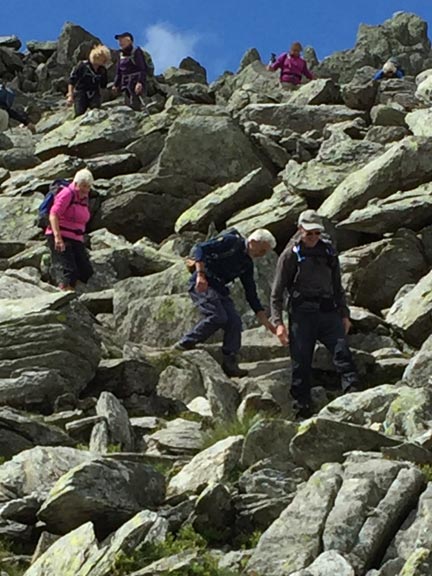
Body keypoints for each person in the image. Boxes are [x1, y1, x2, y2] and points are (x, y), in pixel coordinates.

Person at [271, 210, 359, 418]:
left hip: (329, 312)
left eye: (317, 233)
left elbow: (337, 286)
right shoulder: (290, 255)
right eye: (309, 233)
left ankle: (354, 397)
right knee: (301, 362)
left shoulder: (328, 251)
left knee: (342, 353)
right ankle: (302, 409)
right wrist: (279, 324)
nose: (313, 237)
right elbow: (276, 292)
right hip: (302, 315)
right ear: (300, 230)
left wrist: (344, 314)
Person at [174, 229, 277, 377]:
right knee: (218, 316)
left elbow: (250, 291)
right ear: (253, 242)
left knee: (235, 321)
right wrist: (200, 275)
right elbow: (200, 248)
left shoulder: (246, 264)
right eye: (262, 250)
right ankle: (185, 343)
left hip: (219, 288)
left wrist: (263, 318)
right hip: (203, 283)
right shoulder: (232, 242)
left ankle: (230, 362)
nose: (262, 255)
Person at [45, 169, 94, 291]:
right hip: (61, 235)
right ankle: (65, 294)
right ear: (76, 183)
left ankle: (72, 291)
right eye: (83, 186)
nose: (86, 190)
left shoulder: (84, 197)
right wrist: (57, 238)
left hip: (76, 237)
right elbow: (53, 214)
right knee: (69, 271)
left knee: (86, 271)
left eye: (88, 187)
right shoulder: (67, 193)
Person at [67, 44, 111, 116]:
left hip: (94, 93)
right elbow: (72, 81)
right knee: (80, 113)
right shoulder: (82, 66)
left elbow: (103, 85)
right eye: (103, 59)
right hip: (81, 93)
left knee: (96, 112)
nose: (104, 61)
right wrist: (70, 96)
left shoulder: (102, 70)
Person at [112, 32, 147, 111]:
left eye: (122, 40)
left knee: (136, 104)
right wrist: (115, 84)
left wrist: (140, 82)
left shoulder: (136, 52)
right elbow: (119, 72)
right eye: (119, 41)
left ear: (129, 41)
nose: (120, 43)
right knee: (127, 106)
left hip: (135, 83)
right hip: (125, 84)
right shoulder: (120, 55)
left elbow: (142, 68)